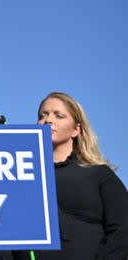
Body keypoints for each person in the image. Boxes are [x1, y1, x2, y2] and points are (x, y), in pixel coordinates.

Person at [21, 92, 128, 259]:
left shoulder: (98, 174)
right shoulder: (22, 176)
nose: (48, 120)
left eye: (59, 115)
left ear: (76, 130)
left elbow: (122, 228)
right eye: (43, 115)